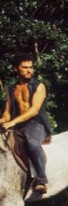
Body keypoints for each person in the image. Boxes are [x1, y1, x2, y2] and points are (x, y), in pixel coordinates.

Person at [0, 53, 52, 193]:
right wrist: (3, 121)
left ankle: (41, 179)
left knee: (32, 142)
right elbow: (7, 113)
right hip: (18, 125)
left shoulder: (39, 86)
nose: (29, 70)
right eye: (25, 67)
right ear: (16, 69)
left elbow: (34, 110)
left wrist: (11, 123)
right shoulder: (11, 89)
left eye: (31, 67)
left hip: (36, 124)